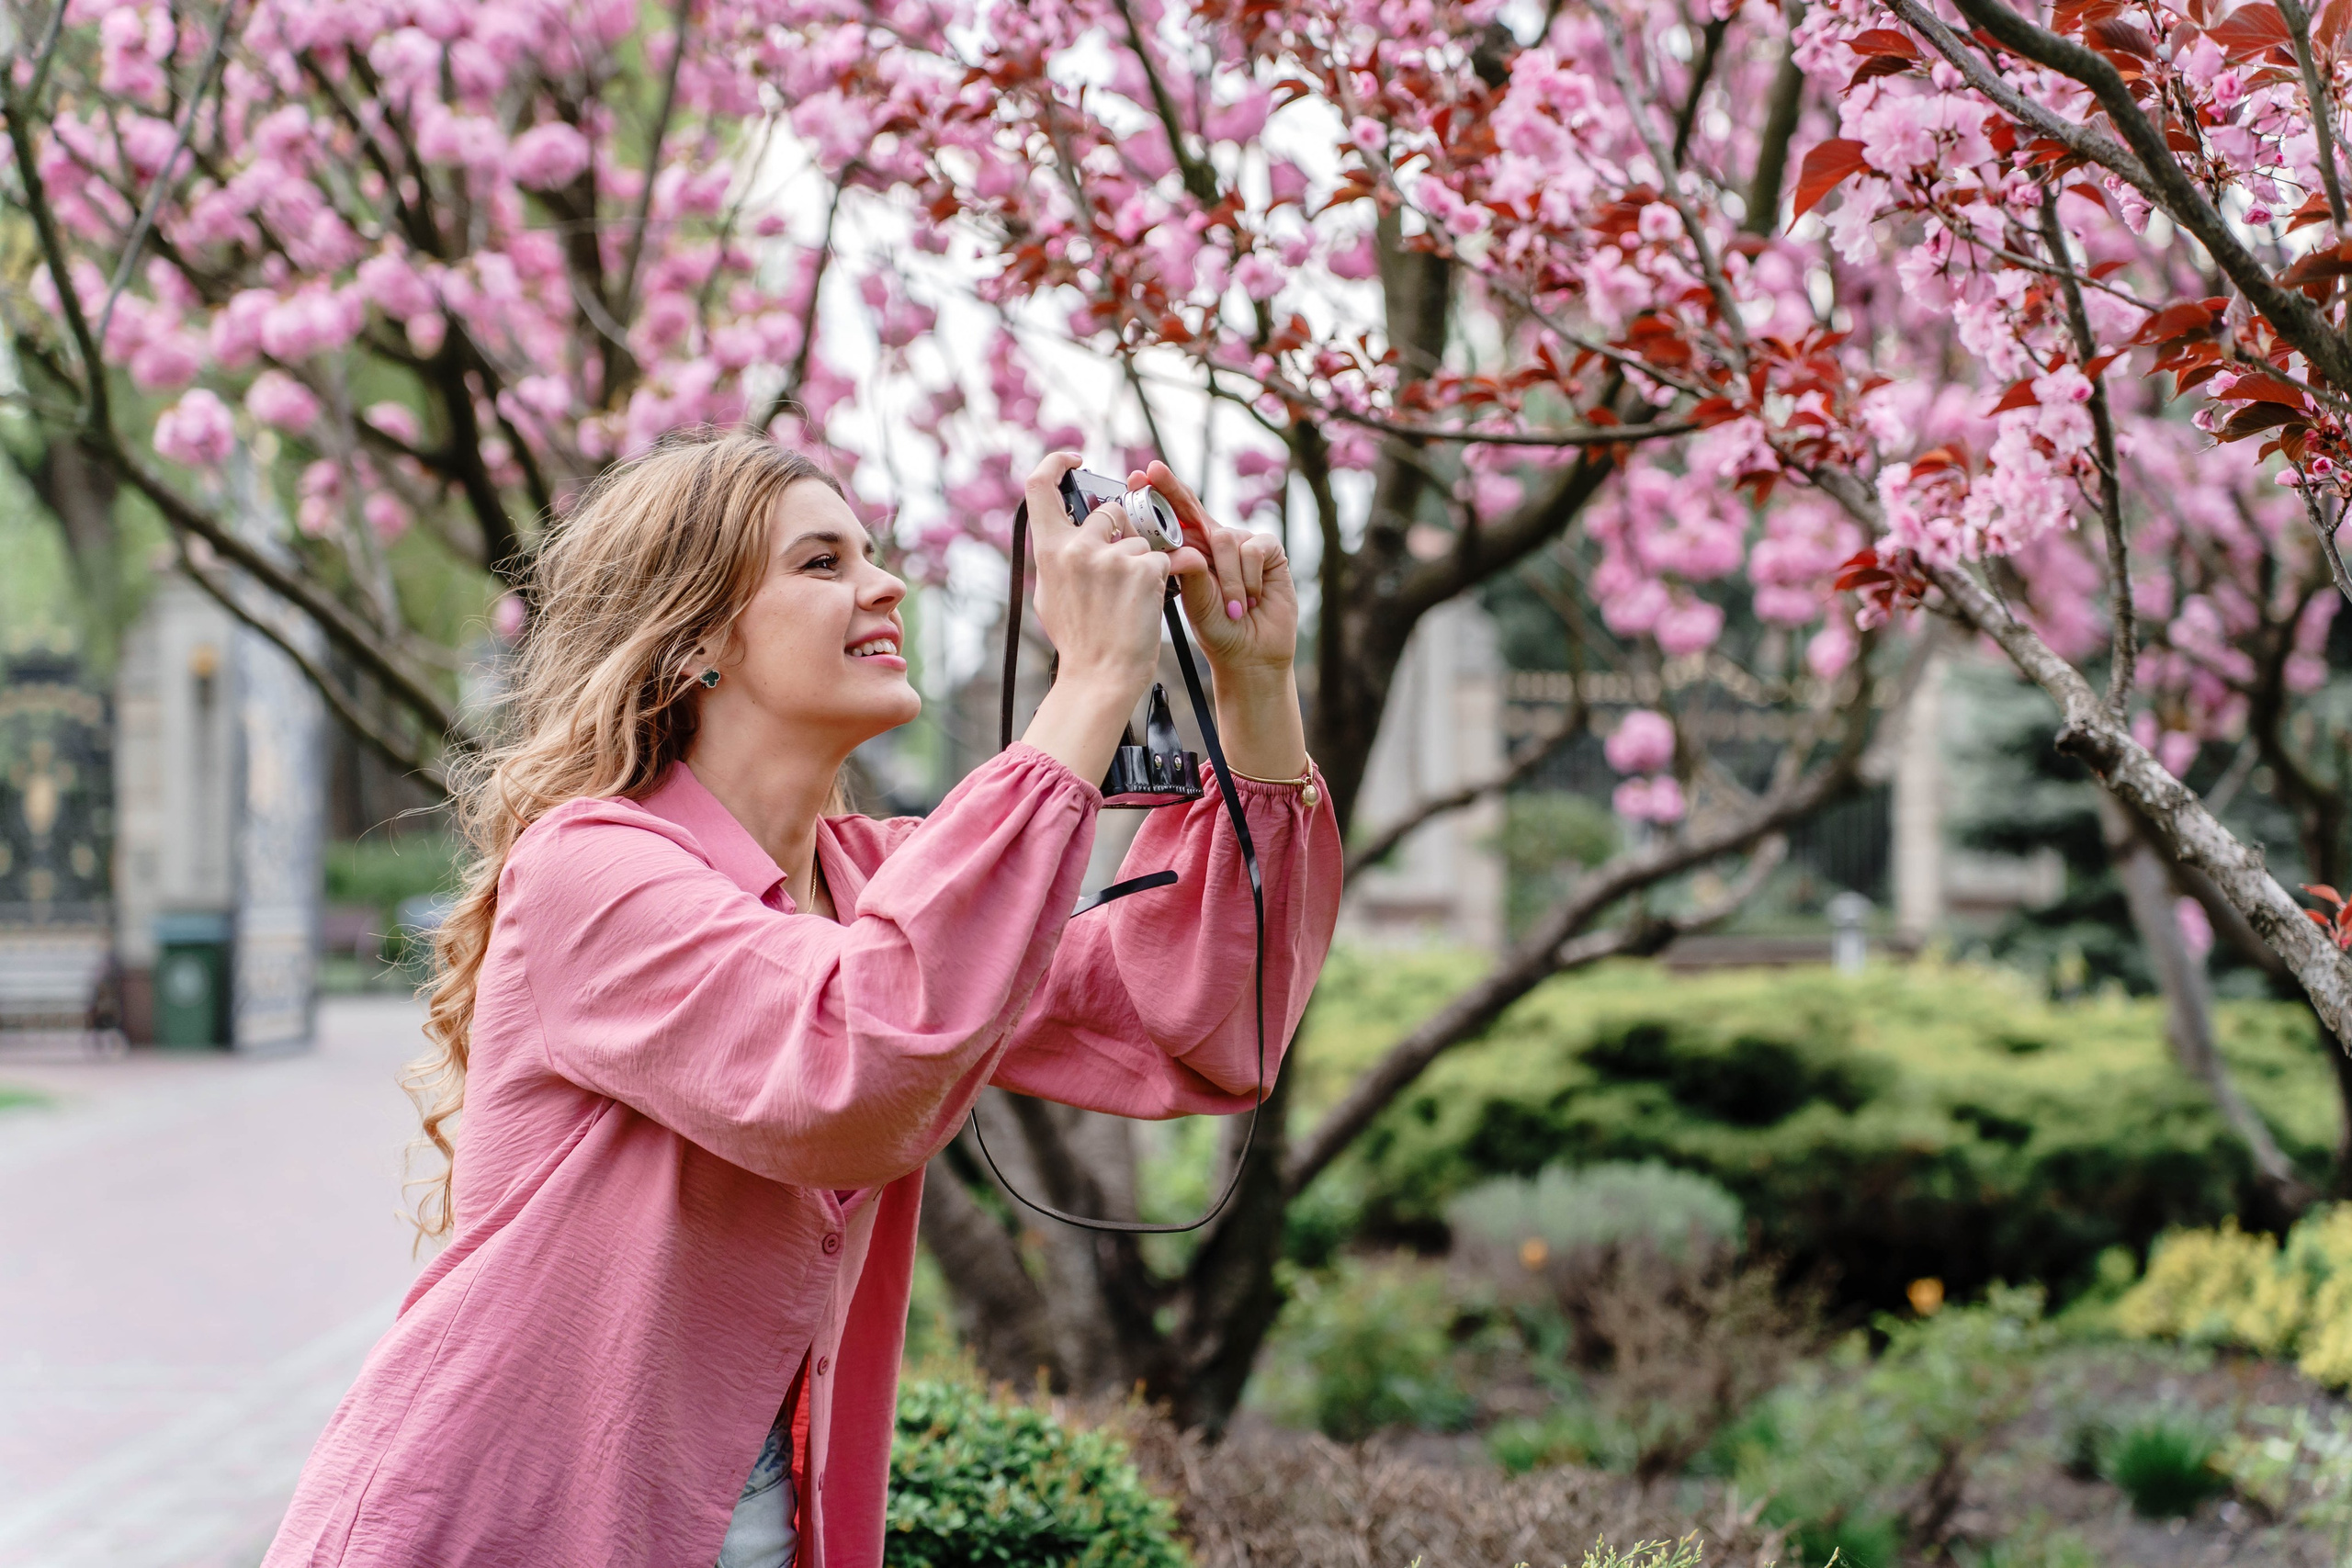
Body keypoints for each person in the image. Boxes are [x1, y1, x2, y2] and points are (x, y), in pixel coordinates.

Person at [263, 433, 1342, 1568]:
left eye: (872, 554)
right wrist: (1088, 689)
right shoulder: (588, 870)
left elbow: (1197, 1021)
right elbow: (851, 1062)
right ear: (691, 644)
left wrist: (1254, 690)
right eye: (821, 563)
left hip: (759, 1525)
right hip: (497, 1523)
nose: (884, 585)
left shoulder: (874, 881)